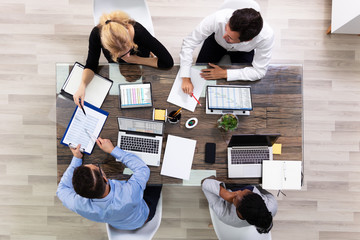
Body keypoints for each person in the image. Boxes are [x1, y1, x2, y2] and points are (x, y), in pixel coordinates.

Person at [56, 137, 162, 230]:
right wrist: (112, 150)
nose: (92, 163)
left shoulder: (77, 204)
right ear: (105, 179)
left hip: (118, 224)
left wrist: (77, 158)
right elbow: (142, 169)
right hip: (141, 217)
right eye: (96, 166)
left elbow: (61, 189)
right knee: (158, 179)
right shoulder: (128, 195)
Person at [74, 10, 174, 107]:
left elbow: (168, 63)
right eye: (121, 55)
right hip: (117, 68)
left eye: (128, 50)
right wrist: (82, 86)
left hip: (141, 59)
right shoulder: (96, 34)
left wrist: (135, 59)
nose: (126, 56)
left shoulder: (138, 31)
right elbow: (91, 65)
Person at [180, 7, 274, 95]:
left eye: (229, 37)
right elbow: (188, 43)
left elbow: (259, 72)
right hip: (215, 43)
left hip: (244, 52)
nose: (224, 36)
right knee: (199, 74)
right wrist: (185, 77)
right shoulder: (217, 18)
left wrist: (225, 73)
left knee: (238, 88)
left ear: (248, 40)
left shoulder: (266, 37)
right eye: (225, 29)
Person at [202, 177, 277, 234]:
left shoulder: (225, 215)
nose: (238, 191)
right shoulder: (272, 205)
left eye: (235, 198)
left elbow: (205, 182)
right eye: (247, 192)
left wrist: (225, 193)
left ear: (238, 211)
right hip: (251, 181)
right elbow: (263, 190)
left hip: (227, 185)